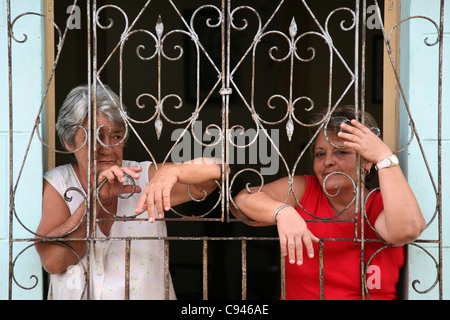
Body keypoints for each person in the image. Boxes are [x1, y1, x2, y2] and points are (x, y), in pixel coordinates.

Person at [35, 84, 223, 300]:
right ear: (69, 142)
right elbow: (54, 261)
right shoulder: (58, 183)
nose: (107, 148)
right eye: (95, 136)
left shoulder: (142, 176)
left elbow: (217, 173)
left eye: (116, 136)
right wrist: (95, 202)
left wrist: (173, 172)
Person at [230, 105, 426, 300]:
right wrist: (282, 212)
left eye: (341, 152)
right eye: (320, 154)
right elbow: (241, 204)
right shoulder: (304, 191)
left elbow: (407, 230)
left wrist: (383, 157)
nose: (327, 162)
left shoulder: (379, 203)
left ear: (367, 162)